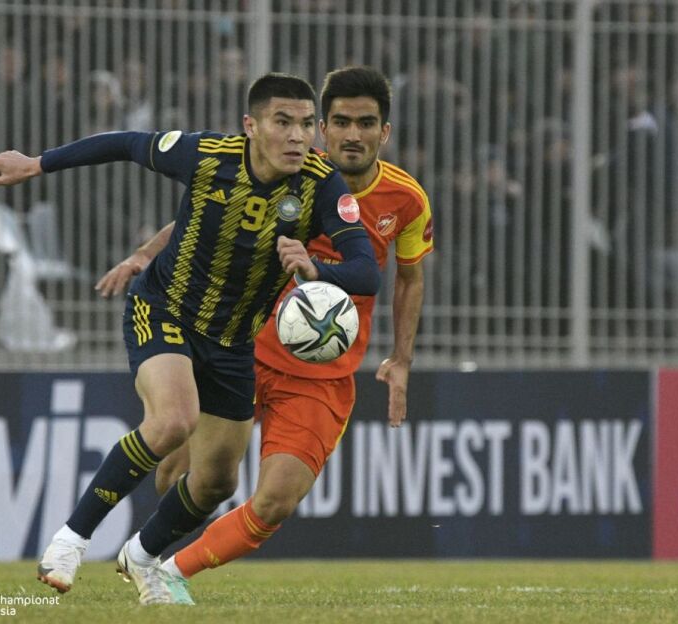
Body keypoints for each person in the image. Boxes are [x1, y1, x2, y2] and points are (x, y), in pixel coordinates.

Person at [0, 72, 380, 604]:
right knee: (172, 421)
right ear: (251, 125)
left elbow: (367, 271)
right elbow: (125, 143)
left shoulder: (322, 184)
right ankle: (70, 540)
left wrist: (316, 268)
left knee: (217, 482)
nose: (297, 137)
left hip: (233, 343)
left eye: (306, 125)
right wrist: (37, 163)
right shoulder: (206, 155)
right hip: (164, 310)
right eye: (282, 122)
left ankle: (142, 554)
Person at [96, 66, 433, 605]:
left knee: (275, 502)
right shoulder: (289, 172)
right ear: (322, 128)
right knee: (178, 475)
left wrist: (401, 359)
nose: (353, 134)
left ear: (384, 132)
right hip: (245, 346)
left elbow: (410, 278)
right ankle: (149, 556)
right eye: (341, 122)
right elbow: (203, 219)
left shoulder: (407, 199)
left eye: (366, 123)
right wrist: (144, 255)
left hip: (321, 373)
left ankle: (165, 569)